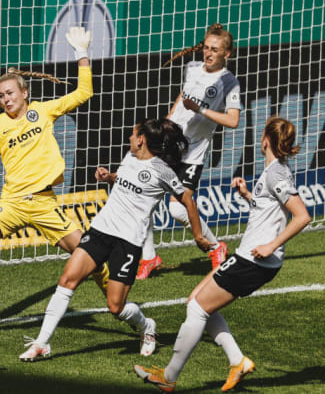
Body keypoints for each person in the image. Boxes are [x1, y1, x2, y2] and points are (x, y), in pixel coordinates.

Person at [134, 116, 311, 392]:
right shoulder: (275, 170)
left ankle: (168, 377)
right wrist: (248, 196)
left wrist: (270, 246)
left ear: (265, 139)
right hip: (247, 256)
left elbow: (302, 217)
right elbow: (271, 210)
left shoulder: (276, 173)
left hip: (255, 260)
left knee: (197, 308)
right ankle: (237, 362)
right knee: (196, 301)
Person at [19, 118, 212, 362]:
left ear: (141, 139)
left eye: (133, 135)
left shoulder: (162, 170)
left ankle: (146, 327)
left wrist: (197, 235)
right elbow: (122, 181)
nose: (130, 138)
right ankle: (41, 343)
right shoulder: (129, 157)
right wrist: (108, 176)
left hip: (128, 242)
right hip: (101, 230)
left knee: (115, 307)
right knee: (67, 279)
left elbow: (188, 202)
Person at [0, 26, 110, 293]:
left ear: (25, 93)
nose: (6, 99)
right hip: (13, 204)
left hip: (44, 204)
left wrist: (82, 54)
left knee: (90, 258)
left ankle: (115, 301)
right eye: (2, 95)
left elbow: (83, 93)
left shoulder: (43, 111)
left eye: (10, 93)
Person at [136, 23, 242, 280]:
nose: (208, 53)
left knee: (177, 210)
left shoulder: (230, 82)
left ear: (226, 54)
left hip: (193, 152)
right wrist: (168, 119)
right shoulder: (192, 68)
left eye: (214, 50)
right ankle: (149, 257)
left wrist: (200, 110)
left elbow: (233, 120)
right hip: (170, 144)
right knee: (142, 200)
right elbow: (183, 95)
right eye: (206, 48)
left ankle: (217, 247)